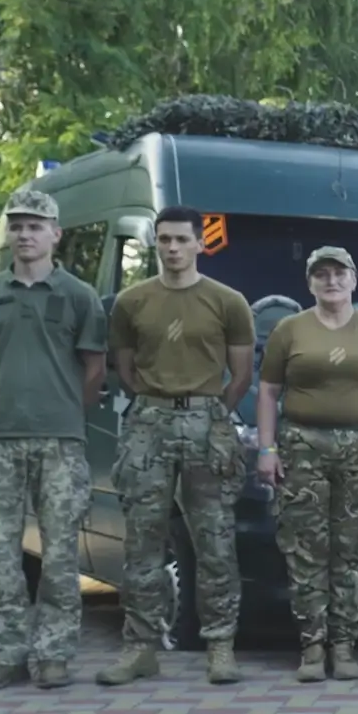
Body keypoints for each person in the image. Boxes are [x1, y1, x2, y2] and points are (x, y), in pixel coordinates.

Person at [97, 206, 256, 688]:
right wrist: (157, 401)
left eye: (181, 240)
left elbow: (242, 373)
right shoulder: (132, 301)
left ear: (199, 244)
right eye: (164, 239)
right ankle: (140, 647)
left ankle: (221, 646)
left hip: (207, 421)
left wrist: (209, 408)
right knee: (142, 538)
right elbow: (124, 367)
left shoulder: (227, 302)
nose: (171, 248)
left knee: (214, 539)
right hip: (149, 421)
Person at [0, 189, 107, 692]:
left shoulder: (79, 297)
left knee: (61, 552)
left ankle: (54, 654)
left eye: (34, 226)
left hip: (60, 441)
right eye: (17, 226)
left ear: (55, 234)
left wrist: (63, 408)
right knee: (1, 554)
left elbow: (95, 369)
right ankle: (4, 653)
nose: (24, 235)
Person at [254, 246, 358, 682]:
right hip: (302, 445)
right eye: (321, 274)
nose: (331, 281)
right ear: (310, 283)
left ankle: (343, 645)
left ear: (354, 279)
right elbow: (268, 392)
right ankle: (311, 646)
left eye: (339, 273)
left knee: (353, 548)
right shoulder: (290, 330)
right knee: (306, 547)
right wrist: (266, 450)